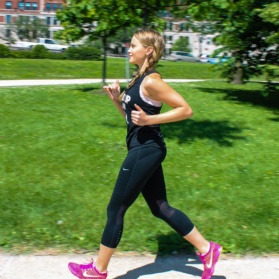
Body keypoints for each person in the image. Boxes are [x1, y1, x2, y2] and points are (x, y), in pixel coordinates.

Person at [68, 29, 222, 279]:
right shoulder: (138, 79)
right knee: (160, 207)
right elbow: (133, 122)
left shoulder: (152, 80)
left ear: (148, 50)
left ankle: (98, 270)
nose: (128, 49)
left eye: (133, 45)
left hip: (146, 149)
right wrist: (117, 101)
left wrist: (151, 119)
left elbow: (186, 109)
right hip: (144, 147)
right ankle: (207, 249)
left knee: (116, 208)